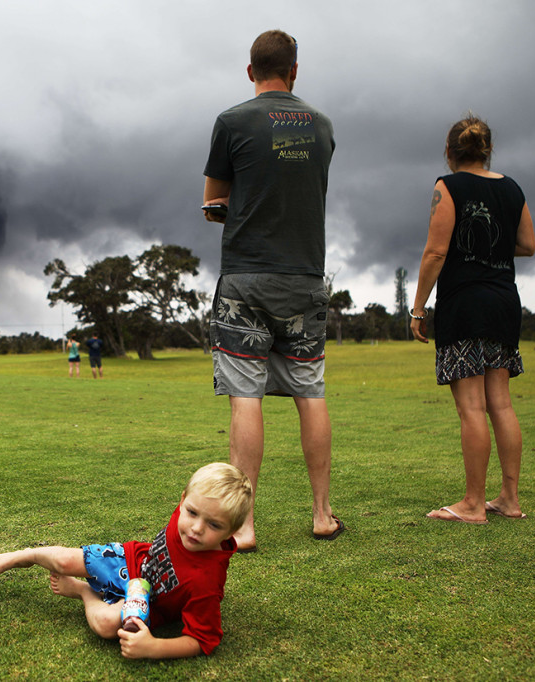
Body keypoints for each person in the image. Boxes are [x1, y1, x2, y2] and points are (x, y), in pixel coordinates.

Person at [201, 29, 342, 551]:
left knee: (246, 397)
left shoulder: (232, 122)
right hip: (305, 276)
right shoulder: (323, 126)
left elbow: (214, 201)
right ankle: (323, 514)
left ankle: (245, 526)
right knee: (311, 392)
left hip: (246, 276)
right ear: (295, 71)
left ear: (249, 71)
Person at [0, 462, 252, 659]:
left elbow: (203, 639)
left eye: (214, 525)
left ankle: (83, 591)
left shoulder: (206, 581)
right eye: (192, 512)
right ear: (182, 501)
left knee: (106, 625)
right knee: (63, 560)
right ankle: (25, 555)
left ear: (231, 532)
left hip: (150, 601)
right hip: (130, 560)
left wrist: (154, 648)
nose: (196, 528)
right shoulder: (190, 509)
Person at [410, 113, 535, 524]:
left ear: (449, 152)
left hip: (465, 304)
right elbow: (528, 244)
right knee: (500, 403)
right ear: (487, 151)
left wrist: (417, 308)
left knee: (471, 408)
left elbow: (435, 252)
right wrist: (493, 245)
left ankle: (472, 503)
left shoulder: (447, 186)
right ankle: (509, 499)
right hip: (504, 303)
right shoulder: (512, 188)